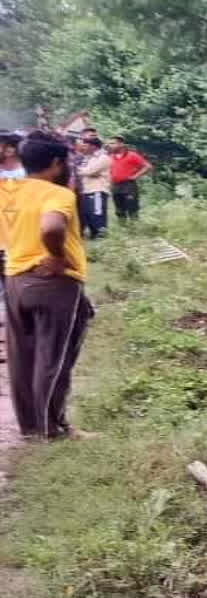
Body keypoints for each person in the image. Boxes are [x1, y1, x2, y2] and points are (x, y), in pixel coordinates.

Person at [0, 130, 93, 439]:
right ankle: (51, 429)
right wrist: (56, 255)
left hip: (15, 277)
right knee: (52, 356)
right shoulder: (57, 194)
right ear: (55, 163)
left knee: (23, 357)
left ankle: (30, 427)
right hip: (53, 282)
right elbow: (51, 226)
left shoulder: (8, 189)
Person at [108, 135, 151, 221]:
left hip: (128, 185)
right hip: (116, 186)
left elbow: (147, 166)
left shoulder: (132, 155)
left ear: (121, 144)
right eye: (109, 143)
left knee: (132, 209)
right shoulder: (110, 157)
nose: (110, 145)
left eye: (113, 143)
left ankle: (134, 229)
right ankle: (123, 228)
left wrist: (135, 176)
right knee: (119, 210)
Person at [75, 137, 111, 239]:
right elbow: (84, 171)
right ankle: (94, 238)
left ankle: (101, 238)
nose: (83, 147)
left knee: (97, 215)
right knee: (87, 216)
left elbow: (90, 171)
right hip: (86, 190)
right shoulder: (87, 158)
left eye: (85, 145)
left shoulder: (103, 158)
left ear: (93, 146)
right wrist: (83, 170)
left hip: (97, 190)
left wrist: (79, 170)